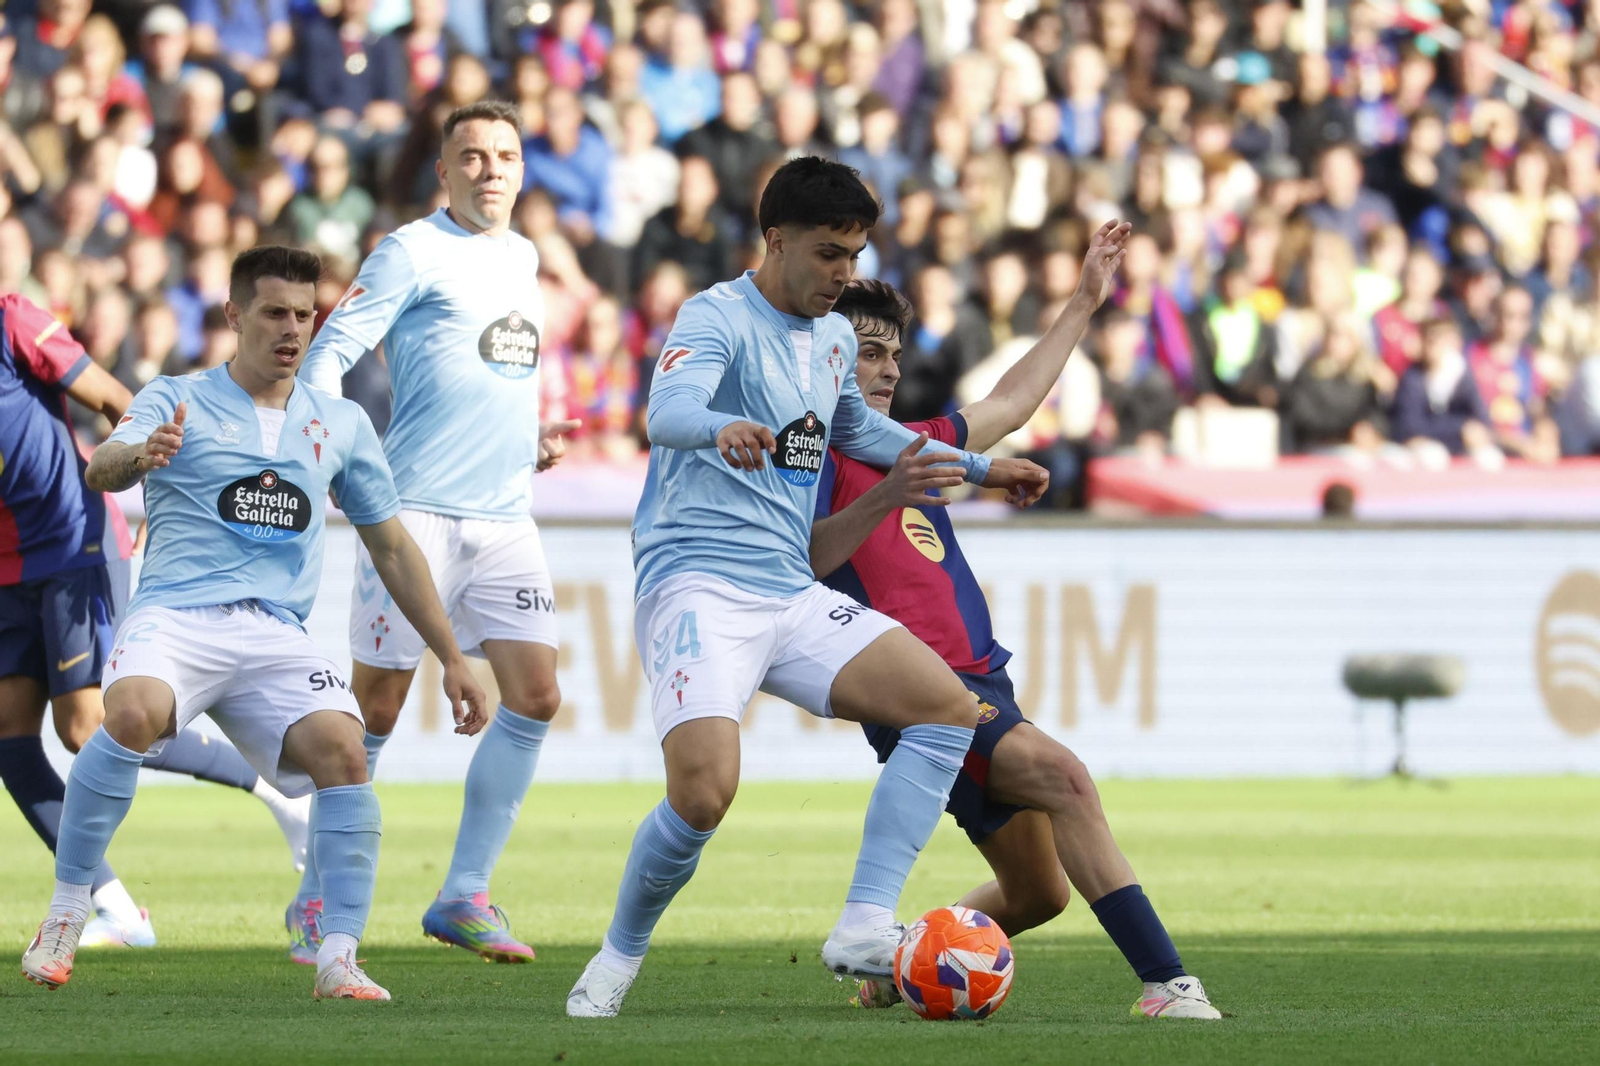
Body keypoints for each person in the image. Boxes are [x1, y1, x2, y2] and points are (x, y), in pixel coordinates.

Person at [564, 156, 1050, 1019]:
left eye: (855, 256)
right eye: (829, 254)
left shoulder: (831, 340)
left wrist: (979, 467)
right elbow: (664, 412)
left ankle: (864, 924)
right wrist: (725, 426)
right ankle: (616, 956)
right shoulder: (713, 316)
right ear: (776, 238)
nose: (844, 275)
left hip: (786, 586)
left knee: (945, 706)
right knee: (704, 793)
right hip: (698, 583)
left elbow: (862, 428)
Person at [20, 246, 485, 1001]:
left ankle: (338, 954)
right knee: (130, 712)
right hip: (176, 613)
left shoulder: (339, 423)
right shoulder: (177, 396)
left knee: (345, 753)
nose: (293, 329)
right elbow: (99, 463)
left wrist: (453, 655)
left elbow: (393, 547)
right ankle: (69, 909)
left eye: (306, 314)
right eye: (275, 312)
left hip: (274, 631)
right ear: (235, 315)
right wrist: (140, 454)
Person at [812, 225, 1222, 1021]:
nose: (889, 369)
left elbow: (1008, 404)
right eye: (868, 353)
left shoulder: (917, 444)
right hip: (924, 695)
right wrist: (886, 493)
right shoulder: (817, 460)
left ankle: (899, 963)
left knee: (1039, 893)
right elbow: (811, 560)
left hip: (983, 681)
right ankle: (1166, 985)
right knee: (1068, 778)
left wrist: (1081, 303)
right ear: (824, 360)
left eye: (893, 354)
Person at [298, 101, 578, 967]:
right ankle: (317, 900)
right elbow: (327, 354)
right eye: (473, 156)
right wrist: (336, 450)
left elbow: (491, 369)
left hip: (504, 514)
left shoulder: (526, 257)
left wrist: (524, 438)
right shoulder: (411, 249)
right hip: (413, 511)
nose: (491, 168)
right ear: (445, 174)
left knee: (534, 695)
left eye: (505, 154)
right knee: (373, 711)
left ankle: (463, 894)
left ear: (522, 170)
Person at [0, 290, 311, 952]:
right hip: (5, 567)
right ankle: (117, 909)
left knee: (88, 726)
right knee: (10, 740)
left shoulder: (11, 318)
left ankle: (283, 795)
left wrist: (150, 499)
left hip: (71, 544)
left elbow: (118, 399)